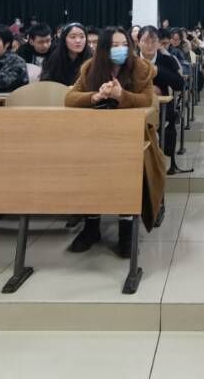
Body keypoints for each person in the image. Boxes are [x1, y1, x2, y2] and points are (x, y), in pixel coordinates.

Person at [65, 26, 163, 257]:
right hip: (95, 135)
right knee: (89, 172)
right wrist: (95, 96)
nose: (121, 49)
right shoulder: (91, 68)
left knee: (127, 173)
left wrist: (121, 96)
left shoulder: (141, 68)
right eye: (114, 45)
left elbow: (146, 100)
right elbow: (70, 98)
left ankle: (126, 229)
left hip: (134, 135)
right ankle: (91, 227)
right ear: (103, 49)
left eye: (124, 45)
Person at [138, 25, 185, 157]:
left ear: (159, 43)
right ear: (138, 42)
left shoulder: (167, 60)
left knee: (167, 125)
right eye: (145, 41)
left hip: (162, 109)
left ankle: (164, 156)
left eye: (154, 41)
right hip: (137, 106)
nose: (150, 45)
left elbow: (180, 84)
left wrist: (158, 71)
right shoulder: (131, 61)